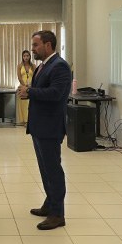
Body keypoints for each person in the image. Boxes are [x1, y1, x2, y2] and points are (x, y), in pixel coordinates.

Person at [17, 30, 71, 230]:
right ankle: (50, 204)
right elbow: (43, 91)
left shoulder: (60, 66)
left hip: (50, 127)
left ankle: (58, 214)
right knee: (45, 169)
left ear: (48, 45)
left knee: (53, 170)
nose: (32, 49)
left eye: (35, 45)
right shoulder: (43, 65)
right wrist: (28, 93)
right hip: (40, 126)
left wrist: (30, 91)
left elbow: (56, 93)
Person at [16, 50, 35, 125]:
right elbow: (19, 77)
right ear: (22, 57)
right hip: (22, 86)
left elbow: (35, 77)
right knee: (24, 104)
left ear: (30, 56)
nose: (26, 57)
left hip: (31, 86)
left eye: (27, 56)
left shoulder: (33, 66)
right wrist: (24, 86)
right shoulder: (19, 66)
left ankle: (30, 120)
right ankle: (25, 121)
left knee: (30, 104)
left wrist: (30, 85)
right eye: (24, 56)